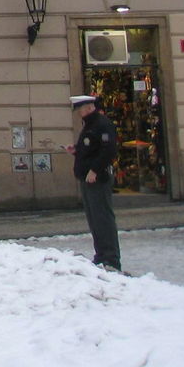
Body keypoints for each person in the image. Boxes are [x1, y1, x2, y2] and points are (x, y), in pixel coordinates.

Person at [71, 94, 121, 271]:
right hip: (88, 178)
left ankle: (111, 259)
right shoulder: (90, 125)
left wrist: (95, 170)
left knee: (102, 218)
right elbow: (91, 149)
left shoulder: (101, 124)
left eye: (80, 109)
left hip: (97, 178)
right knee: (94, 218)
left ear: (89, 108)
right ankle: (101, 255)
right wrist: (76, 151)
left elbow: (109, 151)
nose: (78, 113)